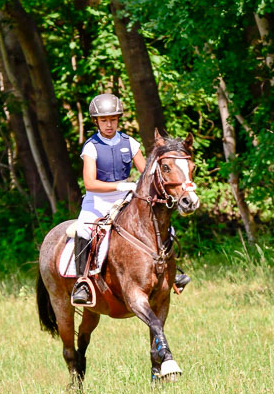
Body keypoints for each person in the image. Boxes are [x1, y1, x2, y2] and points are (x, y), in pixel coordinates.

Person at [71, 93, 191, 305]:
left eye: (113, 119)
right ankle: (83, 283)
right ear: (96, 122)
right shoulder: (91, 146)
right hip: (97, 200)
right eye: (104, 120)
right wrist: (121, 185)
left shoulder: (130, 143)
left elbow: (147, 173)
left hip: (126, 198)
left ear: (118, 119)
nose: (109, 125)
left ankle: (172, 274)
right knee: (83, 230)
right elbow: (89, 183)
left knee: (164, 228)